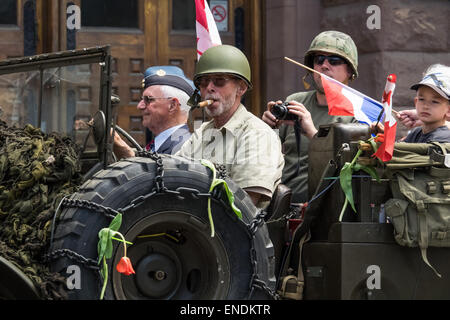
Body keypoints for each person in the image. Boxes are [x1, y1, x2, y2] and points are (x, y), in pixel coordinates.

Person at [176, 45, 284, 209]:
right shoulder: (201, 133)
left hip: (232, 232)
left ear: (241, 88)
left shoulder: (258, 134)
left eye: (219, 81)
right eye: (203, 82)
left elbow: (243, 205)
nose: (209, 88)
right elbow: (173, 176)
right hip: (193, 228)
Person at [262, 30, 358, 203]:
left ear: (350, 70)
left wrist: (313, 134)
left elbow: (349, 169)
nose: (324, 65)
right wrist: (268, 128)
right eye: (319, 59)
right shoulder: (296, 102)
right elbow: (266, 157)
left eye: (334, 61)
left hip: (329, 209)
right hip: (286, 206)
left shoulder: (358, 114)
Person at [113, 65, 195, 158]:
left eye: (148, 99)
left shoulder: (184, 147)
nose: (139, 106)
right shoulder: (158, 144)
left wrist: (126, 152)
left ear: (172, 105)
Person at [402, 64, 450, 143]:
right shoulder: (416, 133)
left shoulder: (442, 138)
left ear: (448, 110)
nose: (425, 106)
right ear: (416, 102)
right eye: (421, 99)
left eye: (435, 101)